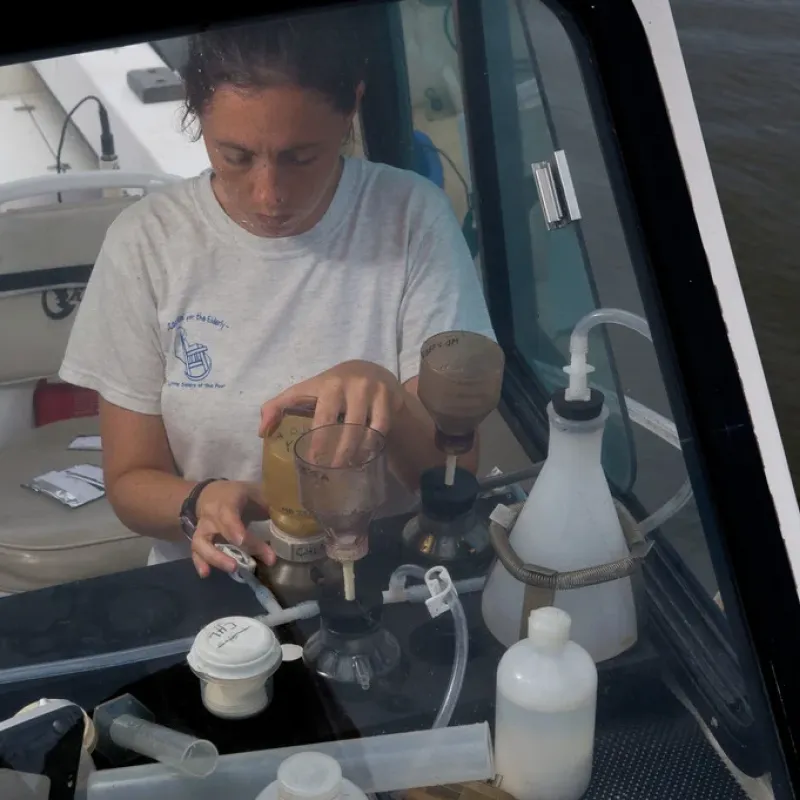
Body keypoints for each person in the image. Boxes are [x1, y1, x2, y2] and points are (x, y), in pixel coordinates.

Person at [59, 8, 495, 579]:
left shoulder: (412, 221)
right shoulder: (146, 243)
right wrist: (197, 502)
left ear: (350, 110)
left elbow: (447, 478)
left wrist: (386, 392)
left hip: (385, 571)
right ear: (196, 116)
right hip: (220, 581)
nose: (268, 195)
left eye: (300, 157)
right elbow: (130, 482)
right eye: (236, 156)